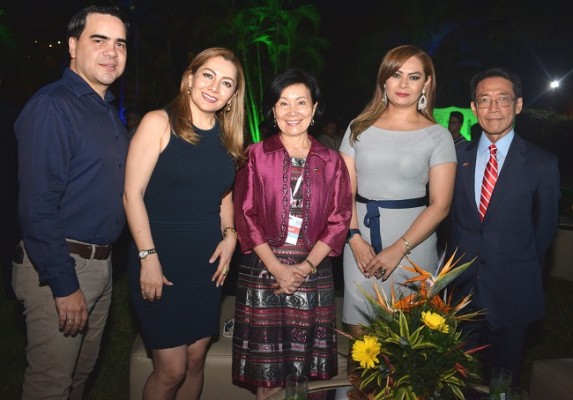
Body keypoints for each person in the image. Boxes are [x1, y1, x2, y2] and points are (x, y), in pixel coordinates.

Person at [12, 5, 128, 399]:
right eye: (99, 40)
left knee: (80, 378)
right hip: (60, 265)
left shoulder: (107, 111)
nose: (111, 52)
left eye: (120, 44)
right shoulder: (53, 106)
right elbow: (37, 207)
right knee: (51, 386)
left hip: (101, 263)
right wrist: (64, 285)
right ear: (74, 46)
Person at [123, 47, 245, 400]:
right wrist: (148, 257)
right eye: (207, 75)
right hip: (160, 259)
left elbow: (223, 196)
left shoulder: (227, 136)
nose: (214, 87)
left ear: (231, 96)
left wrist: (230, 235)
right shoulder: (158, 122)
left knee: (194, 361)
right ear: (190, 78)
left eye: (226, 83)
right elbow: (132, 194)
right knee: (171, 370)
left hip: (205, 264)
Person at [232, 68, 352, 400]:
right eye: (283, 103)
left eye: (301, 102)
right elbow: (245, 214)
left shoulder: (332, 161)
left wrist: (304, 268)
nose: (292, 111)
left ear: (315, 109)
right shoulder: (255, 155)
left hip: (312, 273)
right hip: (265, 271)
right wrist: (278, 268)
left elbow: (340, 217)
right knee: (267, 379)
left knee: (310, 377)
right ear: (272, 110)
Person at [448, 68, 560, 385]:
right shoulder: (455, 157)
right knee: (456, 384)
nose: (493, 108)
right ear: (474, 108)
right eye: (484, 99)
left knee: (501, 385)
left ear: (519, 104)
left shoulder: (542, 163)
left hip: (512, 296)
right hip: (461, 297)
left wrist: (514, 269)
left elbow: (544, 233)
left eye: (503, 99)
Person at [340, 45, 457, 337]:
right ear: (383, 80)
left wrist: (398, 250)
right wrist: (354, 239)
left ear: (426, 83)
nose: (403, 84)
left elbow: (440, 205)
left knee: (408, 347)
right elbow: (342, 192)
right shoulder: (358, 128)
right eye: (396, 75)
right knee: (362, 348)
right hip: (359, 247)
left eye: (413, 77)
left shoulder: (438, 136)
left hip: (414, 249)